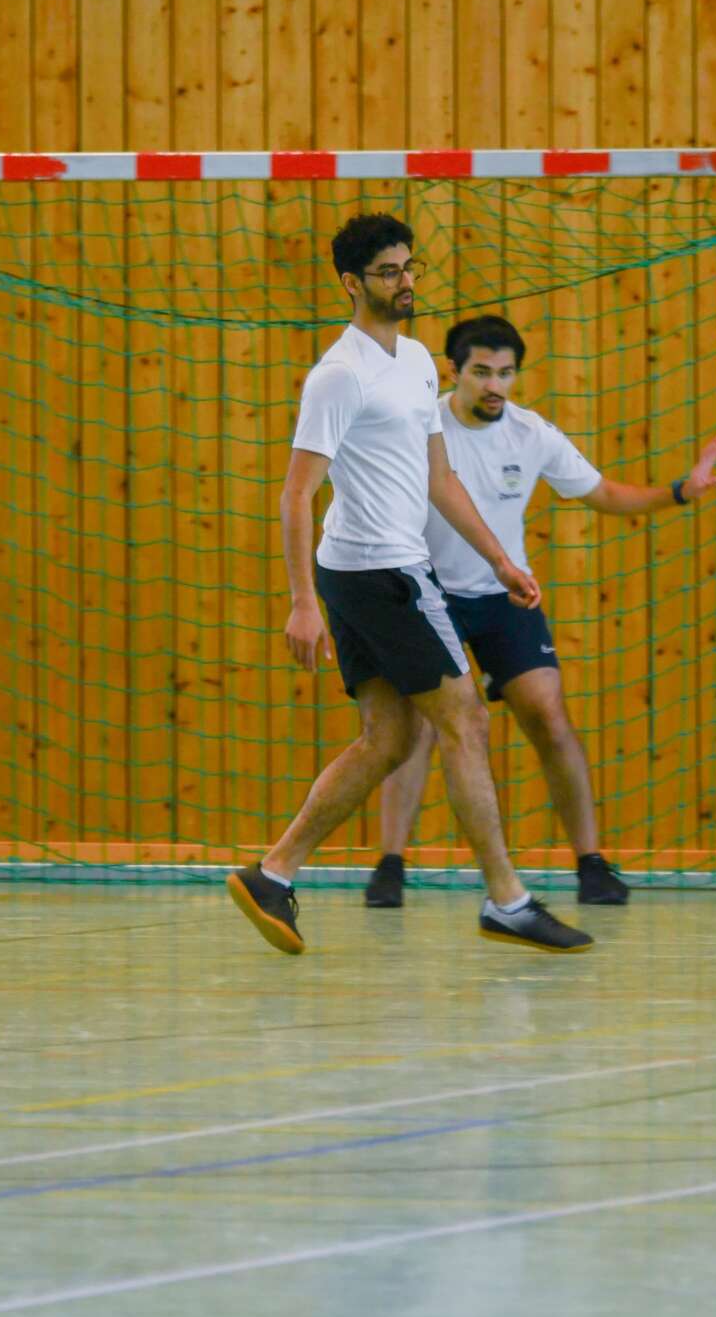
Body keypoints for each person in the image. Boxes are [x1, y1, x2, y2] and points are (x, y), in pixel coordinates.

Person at [226, 215, 592, 958]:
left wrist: (499, 561)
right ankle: (508, 900)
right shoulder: (340, 374)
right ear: (352, 283)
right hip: (379, 573)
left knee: (389, 738)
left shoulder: (420, 359)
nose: (404, 282)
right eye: (388, 271)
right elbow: (296, 494)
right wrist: (301, 603)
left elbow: (439, 477)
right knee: (467, 719)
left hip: (378, 570)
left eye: (409, 267)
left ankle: (272, 873)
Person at [362, 314, 716, 909]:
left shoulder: (531, 434)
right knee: (421, 727)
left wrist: (679, 492)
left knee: (550, 715)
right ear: (454, 372)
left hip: (502, 597)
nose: (495, 386)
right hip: (428, 593)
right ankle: (390, 865)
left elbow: (604, 493)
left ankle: (591, 863)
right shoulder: (421, 430)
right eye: (482, 372)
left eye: (506, 374)